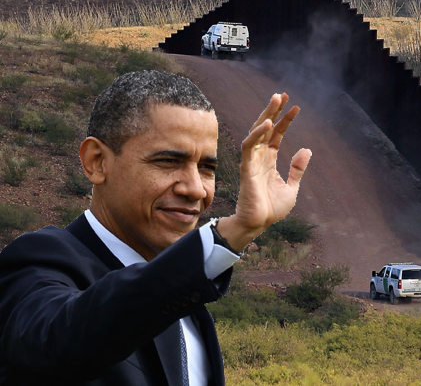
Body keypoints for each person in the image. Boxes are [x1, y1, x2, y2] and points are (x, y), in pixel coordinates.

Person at [0, 70, 312, 385]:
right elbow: (63, 342)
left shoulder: (187, 302)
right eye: (168, 161)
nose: (196, 190)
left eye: (207, 168)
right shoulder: (35, 265)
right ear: (97, 161)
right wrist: (233, 232)